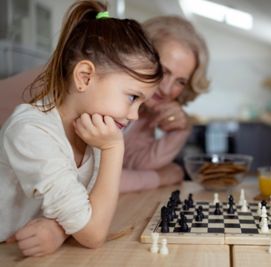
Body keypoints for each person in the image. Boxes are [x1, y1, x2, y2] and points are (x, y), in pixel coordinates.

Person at [0, 0, 162, 257]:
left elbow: (88, 212)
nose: (134, 114)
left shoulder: (94, 127)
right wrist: (113, 148)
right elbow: (93, 233)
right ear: (85, 76)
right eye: (133, 97)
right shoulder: (30, 131)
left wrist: (58, 229)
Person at [120, 16, 210, 192]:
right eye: (163, 71)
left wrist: (180, 129)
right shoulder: (105, 99)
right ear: (140, 55)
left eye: (181, 81)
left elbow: (136, 164)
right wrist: (160, 177)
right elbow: (91, 180)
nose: (167, 89)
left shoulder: (144, 112)